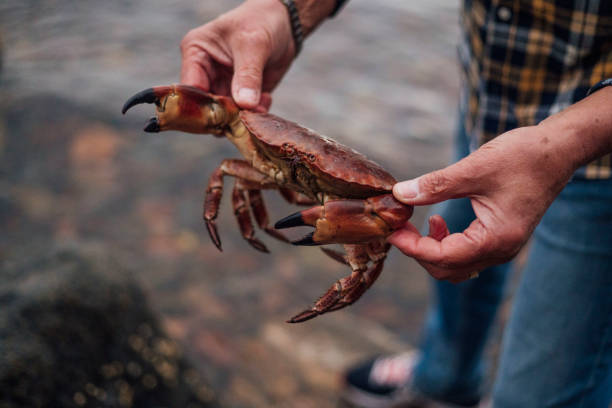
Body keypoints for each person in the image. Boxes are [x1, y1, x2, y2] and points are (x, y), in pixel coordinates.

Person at [180, 0, 612, 406]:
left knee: (539, 391)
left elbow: (373, 244)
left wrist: (567, 142)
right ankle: (443, 379)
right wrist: (290, 11)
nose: (299, 165)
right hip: (491, 107)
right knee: (457, 260)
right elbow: (227, 131)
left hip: (601, 155)